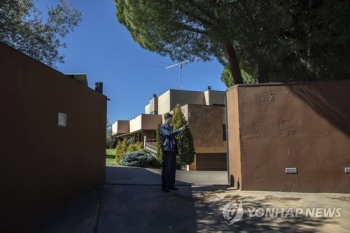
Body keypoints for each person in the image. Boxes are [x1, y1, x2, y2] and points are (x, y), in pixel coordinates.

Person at [160, 113, 186, 192]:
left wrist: (176, 141)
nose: (171, 120)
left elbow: (171, 138)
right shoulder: (163, 127)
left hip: (173, 149)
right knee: (166, 169)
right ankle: (165, 186)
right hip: (167, 150)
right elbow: (168, 135)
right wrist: (179, 130)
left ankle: (171, 185)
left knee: (172, 169)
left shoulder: (170, 127)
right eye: (171, 118)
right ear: (166, 118)